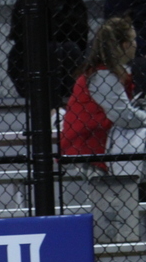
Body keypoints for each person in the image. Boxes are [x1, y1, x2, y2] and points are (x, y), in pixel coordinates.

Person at [61, 17, 146, 177]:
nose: (136, 45)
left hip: (96, 149)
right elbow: (123, 116)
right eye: (133, 40)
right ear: (124, 45)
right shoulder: (103, 76)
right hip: (86, 153)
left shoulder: (107, 73)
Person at [7, 0, 89, 110]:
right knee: (52, 50)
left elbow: (80, 38)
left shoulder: (72, 2)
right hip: (33, 73)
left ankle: (60, 106)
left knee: (65, 49)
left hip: (67, 71)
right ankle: (52, 109)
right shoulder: (27, 1)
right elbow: (20, 37)